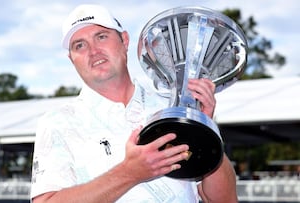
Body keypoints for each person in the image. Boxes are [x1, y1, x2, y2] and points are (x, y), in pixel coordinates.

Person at [31, 4, 237, 203]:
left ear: (125, 41)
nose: (93, 51)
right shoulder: (58, 122)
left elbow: (223, 200)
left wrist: (203, 127)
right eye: (80, 45)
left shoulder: (172, 108)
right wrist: (129, 173)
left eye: (101, 37)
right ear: (71, 59)